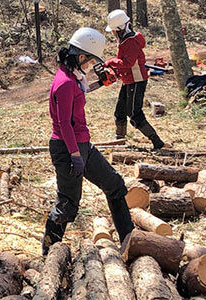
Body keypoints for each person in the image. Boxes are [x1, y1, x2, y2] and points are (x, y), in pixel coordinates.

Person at [42, 27, 134, 255]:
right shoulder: (64, 82)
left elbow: (79, 93)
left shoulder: (72, 76)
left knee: (115, 185)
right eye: (90, 59)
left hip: (82, 145)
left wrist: (99, 84)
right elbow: (64, 123)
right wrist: (75, 155)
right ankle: (49, 254)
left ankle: (130, 242)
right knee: (68, 204)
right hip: (67, 147)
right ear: (81, 56)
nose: (90, 64)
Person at [104, 9, 164, 150]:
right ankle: (120, 141)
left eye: (113, 30)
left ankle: (156, 141)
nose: (112, 33)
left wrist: (111, 62)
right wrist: (117, 71)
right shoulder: (125, 40)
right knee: (120, 111)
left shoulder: (131, 41)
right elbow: (124, 63)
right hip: (128, 79)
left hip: (136, 80)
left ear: (120, 28)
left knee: (134, 113)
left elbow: (128, 63)